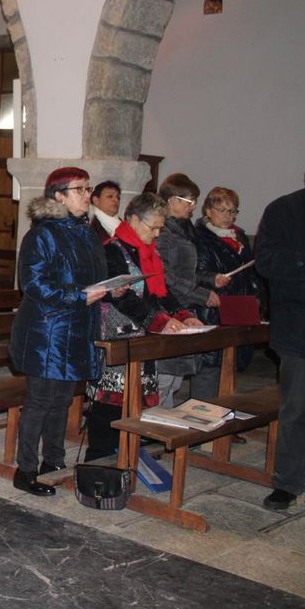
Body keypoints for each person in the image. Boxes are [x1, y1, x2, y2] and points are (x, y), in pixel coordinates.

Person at [9, 168, 111, 496]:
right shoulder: (41, 235)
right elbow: (34, 286)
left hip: (77, 328)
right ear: (59, 196)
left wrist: (109, 289)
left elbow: (94, 276)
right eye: (79, 189)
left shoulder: (86, 232)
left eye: (87, 188)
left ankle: (53, 460)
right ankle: (25, 469)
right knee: (40, 400)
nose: (86, 195)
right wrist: (80, 296)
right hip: (46, 332)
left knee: (63, 400)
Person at [85, 192, 204, 461]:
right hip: (115, 338)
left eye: (162, 227)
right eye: (154, 227)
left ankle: (129, 451)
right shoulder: (112, 250)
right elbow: (123, 298)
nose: (158, 233)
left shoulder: (148, 253)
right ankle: (101, 457)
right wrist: (159, 321)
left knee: (136, 401)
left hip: (141, 340)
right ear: (134, 220)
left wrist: (183, 315)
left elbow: (159, 293)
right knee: (110, 402)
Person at [256, 143, 305, 515]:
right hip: (300, 330)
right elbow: (267, 260)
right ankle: (286, 484)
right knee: (297, 411)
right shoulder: (283, 210)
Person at [157, 174, 227, 404]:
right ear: (170, 200)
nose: (193, 206)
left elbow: (188, 271)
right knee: (165, 377)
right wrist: (201, 293)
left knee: (176, 378)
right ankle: (156, 425)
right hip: (168, 305)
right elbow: (165, 276)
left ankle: (167, 424)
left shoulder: (185, 229)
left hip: (186, 306)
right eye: (188, 201)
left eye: (195, 200)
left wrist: (210, 280)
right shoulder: (162, 230)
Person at [194, 186, 261, 370]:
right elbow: (193, 273)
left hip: (240, 306)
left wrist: (256, 296)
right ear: (208, 211)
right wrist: (213, 278)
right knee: (211, 370)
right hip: (215, 308)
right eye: (222, 210)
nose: (228, 216)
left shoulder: (239, 236)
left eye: (232, 211)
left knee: (232, 370)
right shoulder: (199, 237)